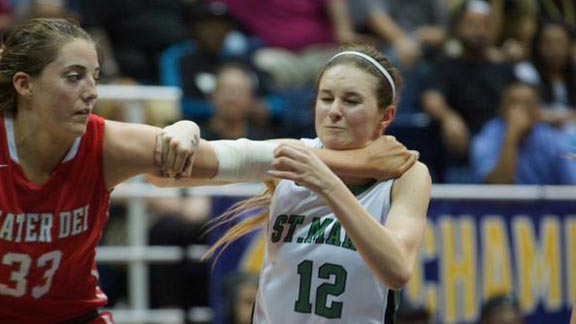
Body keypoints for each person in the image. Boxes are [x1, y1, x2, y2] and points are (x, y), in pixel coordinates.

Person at [151, 45, 431, 323]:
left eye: (351, 101)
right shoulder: (290, 152)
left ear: (386, 116)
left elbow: (397, 270)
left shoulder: (407, 174)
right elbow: (162, 174)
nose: (334, 111)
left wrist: (328, 185)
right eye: (326, 98)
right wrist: (186, 129)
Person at [0, 18, 203, 323]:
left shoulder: (104, 144)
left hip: (75, 316)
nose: (92, 91)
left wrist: (187, 128)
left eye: (95, 77)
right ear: (24, 84)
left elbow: (234, 158)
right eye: (74, 77)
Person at [470, 82, 576, 184]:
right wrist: (511, 135)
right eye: (514, 103)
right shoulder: (487, 138)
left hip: (544, 202)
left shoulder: (551, 139)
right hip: (504, 202)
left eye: (528, 104)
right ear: (502, 109)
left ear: (537, 111)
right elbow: (499, 188)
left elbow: (571, 186)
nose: (520, 110)